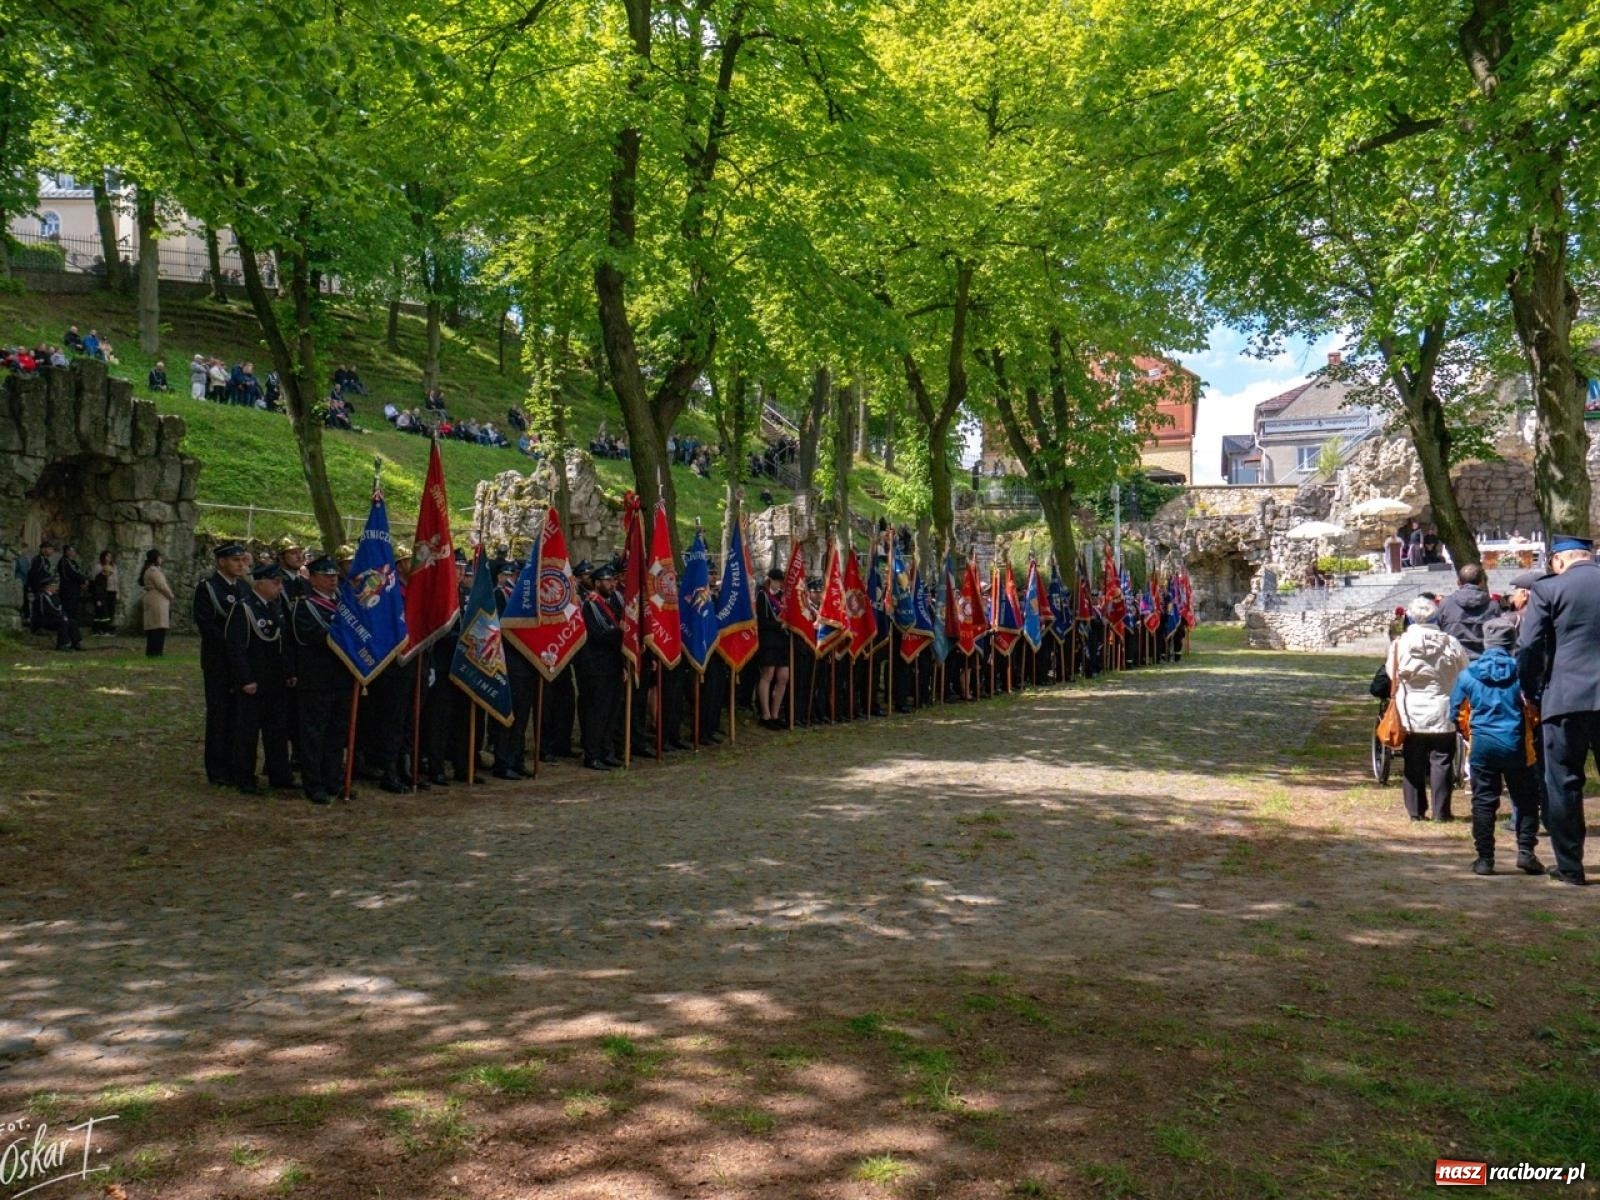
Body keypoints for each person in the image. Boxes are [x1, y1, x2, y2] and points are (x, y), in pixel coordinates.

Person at [1516, 534, 1600, 886]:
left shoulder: (1549, 590)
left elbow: (1529, 646)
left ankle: (1570, 865)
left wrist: (1530, 690)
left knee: (1563, 782)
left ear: (1559, 561)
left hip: (1565, 697)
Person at [1450, 617, 1546, 876]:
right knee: (1526, 800)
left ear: (1486, 641)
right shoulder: (1521, 672)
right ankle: (1526, 853)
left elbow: (1456, 712)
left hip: (1483, 746)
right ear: (1513, 642)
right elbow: (1536, 707)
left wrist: (1471, 735)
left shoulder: (1468, 674)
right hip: (1518, 745)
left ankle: (1485, 859)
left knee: (1483, 802)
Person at [1387, 595, 1469, 821]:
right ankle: (1441, 812)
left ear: (1411, 618)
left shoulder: (1399, 644)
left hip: (1410, 711)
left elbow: (1390, 673)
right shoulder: (1451, 642)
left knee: (1413, 761)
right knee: (1442, 760)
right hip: (1443, 709)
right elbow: (1465, 671)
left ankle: (1415, 812)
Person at [226, 562, 296, 795]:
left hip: (275, 681)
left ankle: (279, 774)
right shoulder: (244, 609)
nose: (279, 587)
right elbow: (236, 648)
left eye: (280, 583)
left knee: (277, 730)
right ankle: (244, 777)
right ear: (260, 583)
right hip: (254, 681)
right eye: (275, 583)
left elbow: (282, 645)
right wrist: (245, 679)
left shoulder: (275, 607)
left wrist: (289, 672)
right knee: (247, 731)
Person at [289, 556, 351, 804]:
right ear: (313, 578)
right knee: (314, 735)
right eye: (326, 575)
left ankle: (334, 779)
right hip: (317, 680)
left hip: (342, 678)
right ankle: (313, 784)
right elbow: (318, 637)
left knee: (336, 734)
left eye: (334, 575)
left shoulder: (345, 605)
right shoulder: (305, 606)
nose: (332, 579)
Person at [194, 542, 253, 786]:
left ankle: (235, 764)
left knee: (238, 716)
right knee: (220, 714)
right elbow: (207, 625)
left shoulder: (243, 587)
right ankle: (217, 768)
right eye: (235, 560)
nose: (241, 564)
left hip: (241, 662)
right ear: (221, 562)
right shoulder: (208, 588)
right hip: (219, 661)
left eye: (242, 560)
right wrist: (232, 646)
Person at [576, 564, 624, 770]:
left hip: (613, 665)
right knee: (597, 712)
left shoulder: (610, 603)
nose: (612, 584)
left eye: (613, 580)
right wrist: (619, 632)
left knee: (612, 711)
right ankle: (593, 754)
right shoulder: (591, 605)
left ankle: (607, 750)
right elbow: (595, 635)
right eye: (607, 580)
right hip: (596, 667)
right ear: (597, 583)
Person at [1437, 562, 1499, 658]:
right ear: (1481, 582)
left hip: (1454, 660)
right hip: (1483, 662)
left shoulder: (1445, 604)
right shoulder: (1493, 606)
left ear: (1458, 582)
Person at [755, 567, 789, 728]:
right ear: (771, 580)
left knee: (783, 677)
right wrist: (778, 625)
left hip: (782, 642)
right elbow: (761, 621)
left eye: (781, 581)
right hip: (768, 640)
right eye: (777, 581)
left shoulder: (783, 597)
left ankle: (776, 714)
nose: (779, 584)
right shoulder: (763, 596)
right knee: (767, 675)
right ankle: (766, 715)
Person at [139, 548, 174, 657]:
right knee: (158, 627)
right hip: (157, 600)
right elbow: (161, 585)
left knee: (154, 626)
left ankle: (153, 651)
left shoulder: (149, 570)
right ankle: (156, 651)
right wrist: (170, 595)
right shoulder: (154, 571)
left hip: (154, 598)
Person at [35, 579, 82, 650]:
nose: (55, 587)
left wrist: (64, 615)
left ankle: (75, 643)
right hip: (46, 620)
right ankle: (62, 644)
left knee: (72, 622)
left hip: (57, 618)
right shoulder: (42, 597)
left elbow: (61, 608)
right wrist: (60, 616)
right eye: (53, 586)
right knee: (62, 623)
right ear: (47, 587)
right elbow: (44, 611)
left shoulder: (55, 596)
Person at [89, 549, 119, 635]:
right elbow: (96, 582)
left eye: (110, 556)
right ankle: (101, 628)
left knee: (110, 610)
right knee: (102, 611)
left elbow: (116, 579)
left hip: (113, 590)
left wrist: (117, 591)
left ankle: (107, 627)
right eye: (107, 556)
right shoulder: (99, 568)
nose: (109, 558)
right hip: (104, 591)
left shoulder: (114, 566)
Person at [56, 544, 87, 625]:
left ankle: (73, 625)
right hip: (68, 589)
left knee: (74, 608)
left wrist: (82, 582)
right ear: (67, 552)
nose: (73, 553)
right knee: (68, 607)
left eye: (73, 551)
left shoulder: (73, 562)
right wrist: (83, 580)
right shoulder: (64, 562)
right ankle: (67, 624)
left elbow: (78, 572)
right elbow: (72, 574)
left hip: (75, 589)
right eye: (71, 551)